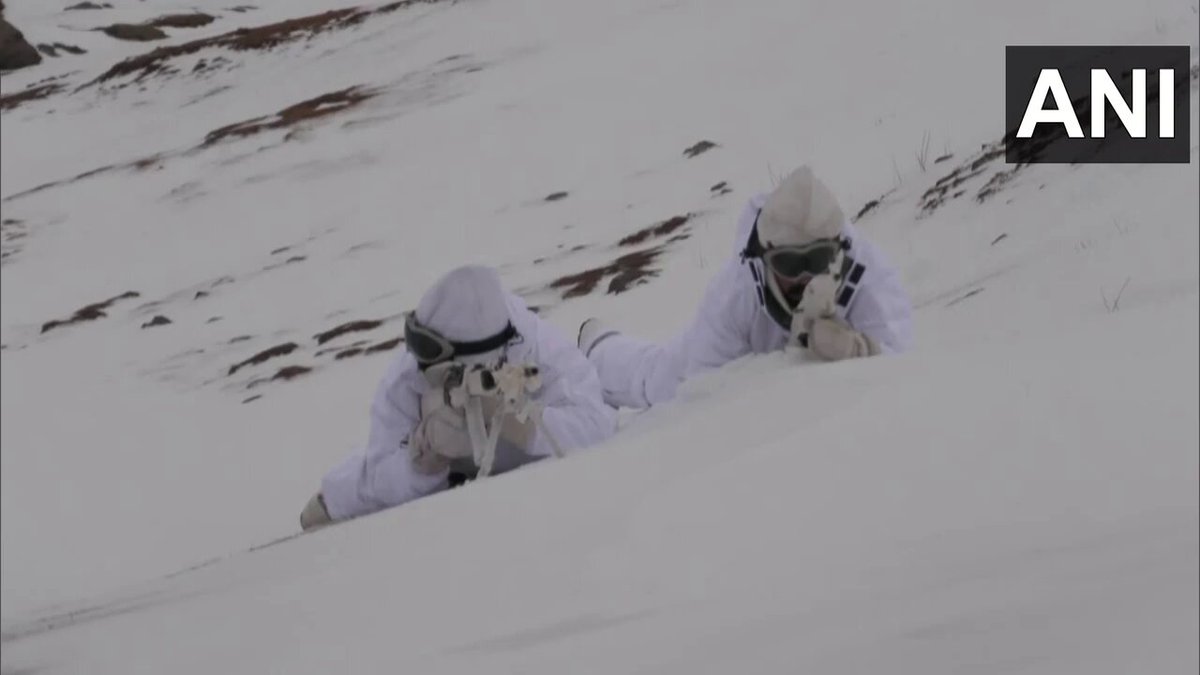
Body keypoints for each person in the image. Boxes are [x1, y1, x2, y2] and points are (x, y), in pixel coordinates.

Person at [300, 265, 618, 530]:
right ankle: (331, 498)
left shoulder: (538, 348)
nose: (417, 359)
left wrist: (524, 424)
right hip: (448, 476)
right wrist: (424, 460)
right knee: (363, 481)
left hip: (528, 461)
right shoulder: (408, 374)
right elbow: (380, 466)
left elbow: (596, 422)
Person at [578, 165, 913, 410]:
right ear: (765, 257)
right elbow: (699, 398)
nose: (804, 277)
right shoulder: (734, 294)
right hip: (741, 355)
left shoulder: (869, 279)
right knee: (657, 381)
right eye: (789, 263)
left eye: (818, 259)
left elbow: (898, 369)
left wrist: (858, 349)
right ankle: (598, 351)